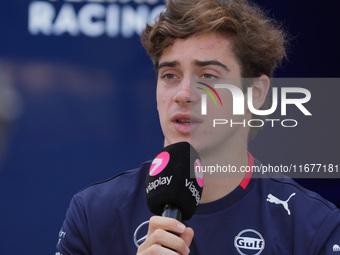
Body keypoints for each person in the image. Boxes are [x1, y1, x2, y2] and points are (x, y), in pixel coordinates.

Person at [56, 0, 340, 254]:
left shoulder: (313, 227)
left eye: (207, 75)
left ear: (255, 93)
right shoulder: (93, 214)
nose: (184, 93)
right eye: (170, 75)